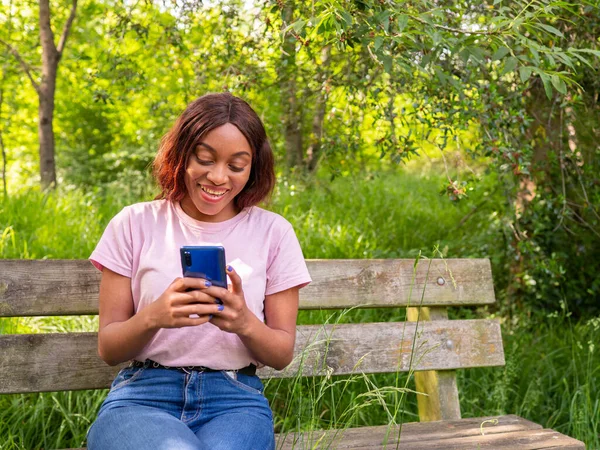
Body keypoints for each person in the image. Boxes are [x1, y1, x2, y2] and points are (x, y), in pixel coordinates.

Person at [86, 92, 312, 450]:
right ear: (182, 153)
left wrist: (244, 323)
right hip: (143, 396)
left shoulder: (274, 232)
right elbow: (109, 348)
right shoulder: (134, 223)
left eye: (236, 165)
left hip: (236, 400)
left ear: (254, 167)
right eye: (204, 159)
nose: (218, 177)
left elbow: (281, 354)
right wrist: (154, 317)